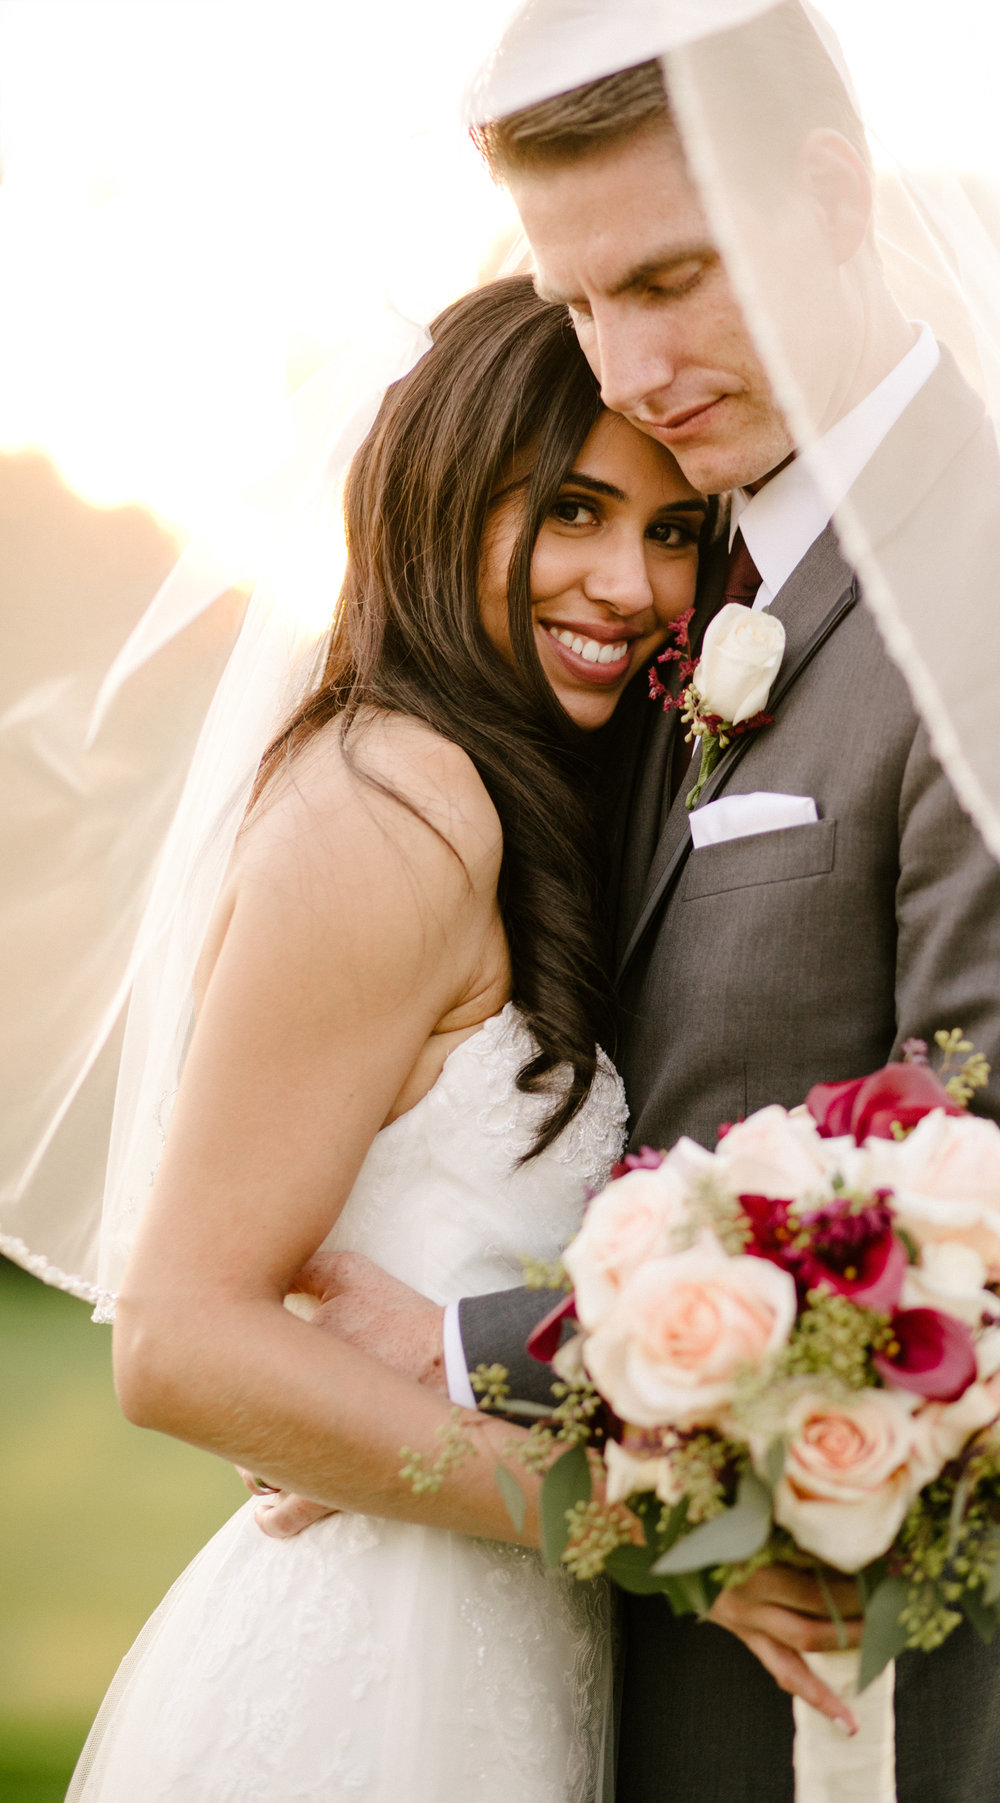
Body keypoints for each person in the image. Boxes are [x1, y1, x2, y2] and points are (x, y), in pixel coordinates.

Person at [266, 20, 1000, 1803]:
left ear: (827, 196)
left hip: (869, 1698)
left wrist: (458, 1351)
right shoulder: (705, 571)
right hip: (659, 1665)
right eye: (583, 302)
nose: (633, 364)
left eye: (674, 276)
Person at [64, 272, 708, 1803]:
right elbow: (176, 1338)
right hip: (374, 1683)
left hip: (488, 1640)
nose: (626, 581)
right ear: (440, 503)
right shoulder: (392, 806)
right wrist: (613, 1512)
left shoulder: (508, 801)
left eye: (672, 531)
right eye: (570, 512)